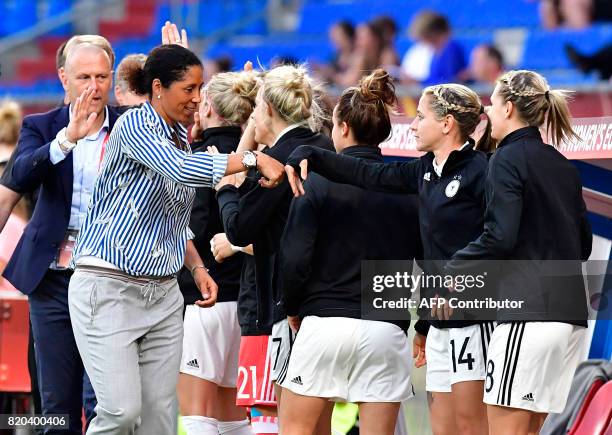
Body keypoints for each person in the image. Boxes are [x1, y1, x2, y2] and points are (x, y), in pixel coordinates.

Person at [67, 42, 284, 434]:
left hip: (164, 294)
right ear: (157, 88)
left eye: (200, 89)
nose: (197, 99)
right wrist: (251, 158)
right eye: (189, 89)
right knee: (120, 413)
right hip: (109, 286)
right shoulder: (135, 125)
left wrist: (197, 266)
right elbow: (181, 169)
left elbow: (173, 218)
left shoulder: (180, 138)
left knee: (161, 419)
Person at [283, 79, 496, 435]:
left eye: (421, 116)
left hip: (333, 322)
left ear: (446, 124)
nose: (412, 123)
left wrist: (291, 305)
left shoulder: (481, 170)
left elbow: (295, 257)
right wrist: (425, 324)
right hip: (395, 327)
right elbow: (425, 256)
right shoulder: (420, 176)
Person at [443, 70, 591, 435]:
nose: (487, 114)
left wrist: (454, 267)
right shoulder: (561, 164)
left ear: (508, 108)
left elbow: (500, 236)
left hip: (528, 314)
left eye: (492, 104)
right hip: (569, 317)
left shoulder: (505, 159)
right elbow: (583, 245)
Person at [278, 69, 420, 435]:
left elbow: (295, 257)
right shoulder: (408, 189)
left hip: (325, 323)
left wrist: (292, 307)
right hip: (387, 330)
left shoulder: (317, 182)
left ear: (340, 128)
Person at [4, 39, 119, 434]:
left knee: (103, 400)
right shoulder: (41, 126)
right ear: (63, 80)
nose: (93, 86)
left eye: (102, 77)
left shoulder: (127, 127)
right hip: (51, 279)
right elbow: (18, 176)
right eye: (83, 77)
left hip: (109, 279)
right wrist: (66, 139)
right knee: (54, 402)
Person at [215, 64, 333, 434]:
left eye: (255, 111)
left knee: (292, 422)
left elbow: (239, 226)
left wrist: (227, 191)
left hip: (290, 305)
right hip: (331, 301)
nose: (251, 119)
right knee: (320, 425)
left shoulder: (279, 160)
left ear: (267, 109)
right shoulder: (322, 145)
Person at [177, 69, 259, 435]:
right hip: (244, 300)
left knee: (196, 411)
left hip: (202, 300)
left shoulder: (194, 159)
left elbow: (184, 230)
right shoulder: (258, 158)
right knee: (231, 412)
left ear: (207, 104)